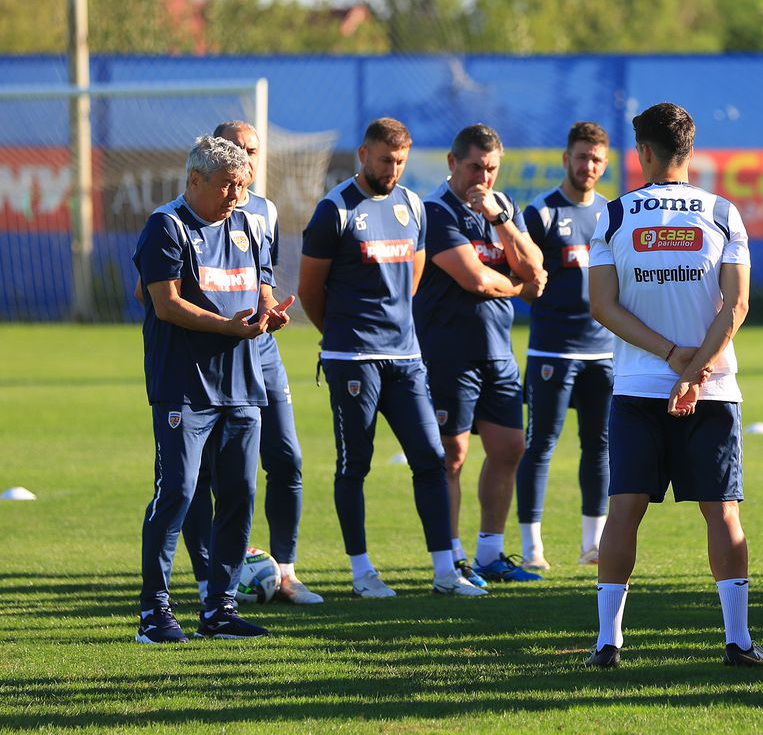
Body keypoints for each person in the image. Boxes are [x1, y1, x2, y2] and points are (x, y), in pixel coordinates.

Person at [585, 102, 763, 669]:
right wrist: (693, 372)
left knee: (624, 511)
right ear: (689, 152)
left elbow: (602, 306)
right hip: (713, 390)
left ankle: (607, 644)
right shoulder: (722, 211)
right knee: (723, 514)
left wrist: (670, 358)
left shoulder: (616, 216)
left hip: (638, 387)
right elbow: (738, 304)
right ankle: (738, 643)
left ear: (642, 152)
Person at [297, 117, 485, 598]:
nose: (393, 169)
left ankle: (445, 571)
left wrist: (391, 329)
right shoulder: (334, 210)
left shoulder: (413, 207)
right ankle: (362, 573)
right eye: (385, 160)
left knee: (431, 456)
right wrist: (340, 338)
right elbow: (309, 291)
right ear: (363, 155)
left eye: (401, 161)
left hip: (405, 357)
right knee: (354, 464)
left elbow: (413, 280)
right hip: (352, 359)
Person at [133, 135, 293, 643]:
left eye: (242, 185)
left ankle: (219, 609)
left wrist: (268, 313)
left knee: (241, 495)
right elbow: (166, 304)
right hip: (184, 385)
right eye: (227, 185)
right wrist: (228, 327)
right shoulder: (167, 225)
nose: (236, 195)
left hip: (243, 385)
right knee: (177, 491)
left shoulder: (249, 223)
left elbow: (260, 285)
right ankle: (154, 614)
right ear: (196, 180)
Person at [177, 121, 321, 605]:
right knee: (199, 476)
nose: (247, 160)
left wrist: (267, 310)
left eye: (253, 151)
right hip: (208, 358)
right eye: (237, 151)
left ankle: (285, 571)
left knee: (287, 457)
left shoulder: (264, 211)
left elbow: (260, 281)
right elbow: (153, 292)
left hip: (259, 351)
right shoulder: (176, 218)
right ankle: (210, 580)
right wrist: (216, 320)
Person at [414, 123, 548, 583]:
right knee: (452, 455)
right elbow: (474, 278)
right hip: (449, 350)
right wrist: (515, 285)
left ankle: (490, 554)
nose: (482, 177)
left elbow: (537, 269)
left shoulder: (501, 206)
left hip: (498, 351)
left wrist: (499, 219)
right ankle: (451, 559)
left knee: (511, 448)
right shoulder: (436, 211)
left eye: (491, 169)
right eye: (474, 167)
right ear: (453, 163)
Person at [516, 122, 613, 570]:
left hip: (604, 352)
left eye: (595, 159)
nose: (587, 166)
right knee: (541, 444)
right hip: (552, 350)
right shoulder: (540, 213)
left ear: (605, 163)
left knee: (600, 446)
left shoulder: (614, 214)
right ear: (566, 159)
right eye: (580, 156)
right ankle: (533, 548)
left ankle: (593, 545)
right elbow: (524, 278)